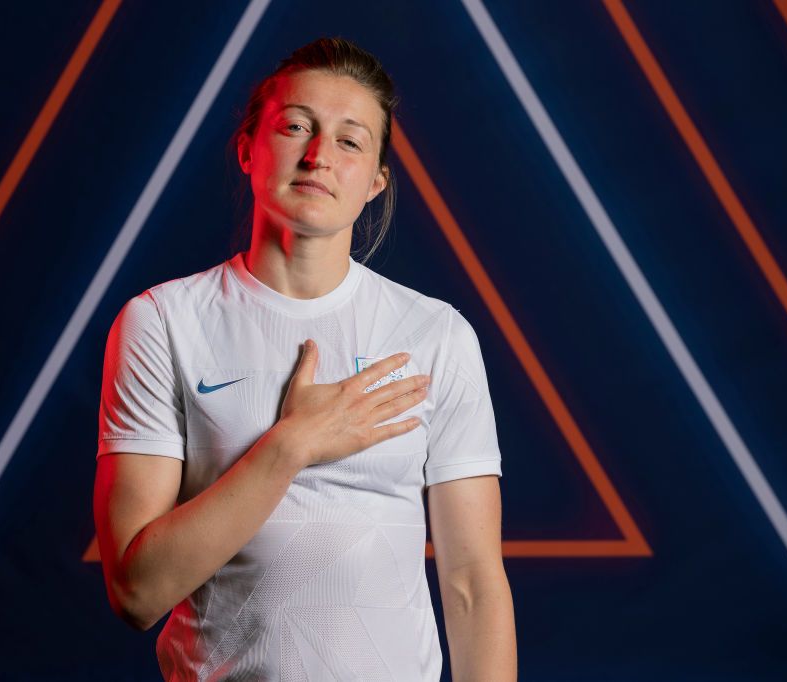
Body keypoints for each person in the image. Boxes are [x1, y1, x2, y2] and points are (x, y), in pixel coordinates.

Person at [93, 37, 517, 681]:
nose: (319, 156)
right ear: (247, 149)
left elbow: (473, 584)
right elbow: (137, 593)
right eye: (296, 127)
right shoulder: (162, 322)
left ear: (376, 181)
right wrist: (289, 446)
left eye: (350, 140)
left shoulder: (435, 334)